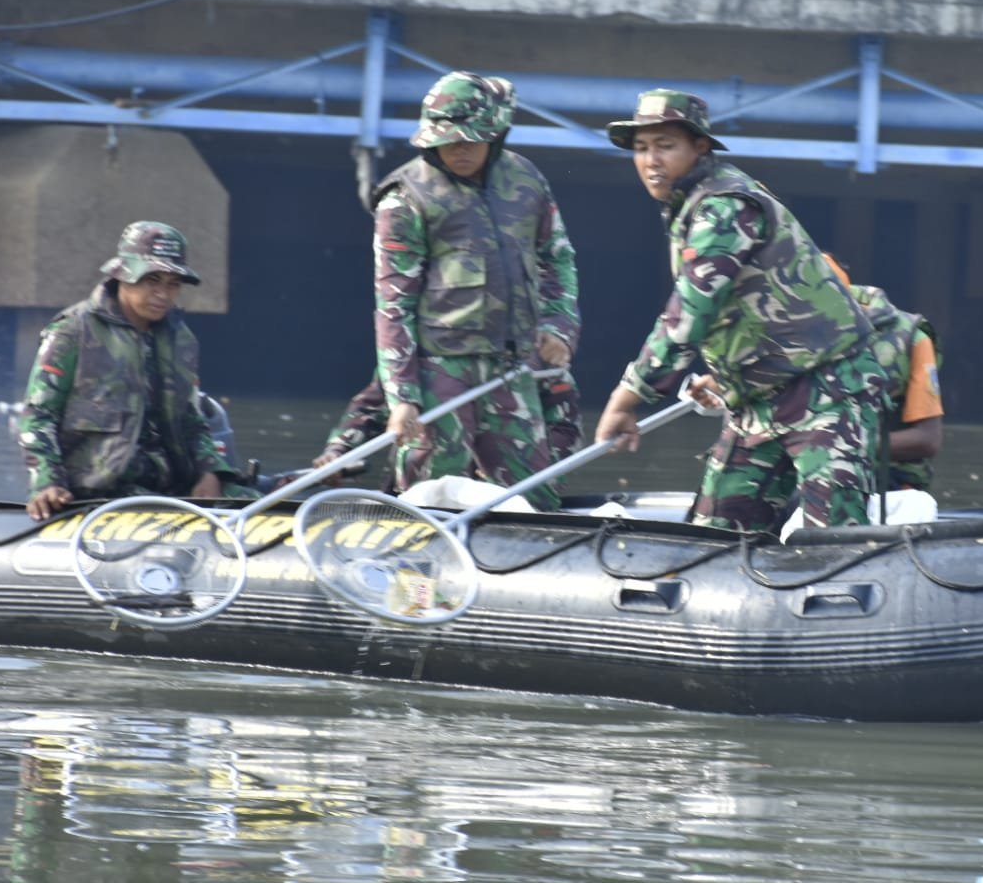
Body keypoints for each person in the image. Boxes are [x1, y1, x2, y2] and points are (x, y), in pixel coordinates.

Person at [593, 89, 885, 535]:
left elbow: (689, 313)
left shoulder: (725, 206)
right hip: (756, 398)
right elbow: (738, 310)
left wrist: (626, 398)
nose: (651, 160)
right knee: (715, 533)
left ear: (700, 147)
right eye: (641, 148)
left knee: (836, 538)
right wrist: (729, 372)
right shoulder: (689, 204)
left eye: (665, 146)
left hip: (827, 386)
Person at [373, 71, 579, 508]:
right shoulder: (404, 199)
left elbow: (556, 257)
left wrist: (559, 325)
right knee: (433, 494)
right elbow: (393, 304)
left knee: (535, 495)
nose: (458, 149)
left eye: (471, 138)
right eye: (447, 139)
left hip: (511, 369)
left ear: (495, 134)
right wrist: (404, 397)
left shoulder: (526, 181)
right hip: (440, 371)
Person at [17, 221, 252, 520]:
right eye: (152, 280)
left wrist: (210, 472)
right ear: (123, 275)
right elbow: (38, 416)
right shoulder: (74, 331)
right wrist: (47, 483)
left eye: (173, 284)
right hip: (103, 487)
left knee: (260, 503)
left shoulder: (181, 340)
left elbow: (192, 419)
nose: (163, 294)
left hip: (172, 482)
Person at [312, 369, 583, 475]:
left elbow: (565, 434)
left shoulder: (540, 366)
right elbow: (370, 409)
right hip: (421, 487)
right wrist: (337, 452)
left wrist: (522, 469)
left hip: (507, 495)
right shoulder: (415, 361)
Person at [823, 255, 944, 492]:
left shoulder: (911, 339)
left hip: (884, 479)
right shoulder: (776, 333)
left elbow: (927, 439)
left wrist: (843, 446)